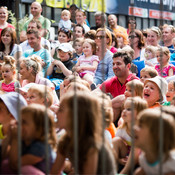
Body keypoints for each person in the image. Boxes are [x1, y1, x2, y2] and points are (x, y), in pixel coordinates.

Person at [51, 91, 117, 174]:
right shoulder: (65, 140)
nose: (56, 112)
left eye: (61, 110)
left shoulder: (92, 144)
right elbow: (54, 172)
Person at [1, 104, 57, 174]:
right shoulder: (25, 141)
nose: (18, 125)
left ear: (39, 129)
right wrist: (9, 136)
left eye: (24, 122)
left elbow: (14, 164)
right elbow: (4, 154)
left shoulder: (41, 147)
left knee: (20, 168)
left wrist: (15, 139)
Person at [134, 108, 175, 175]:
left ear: (156, 135)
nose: (134, 128)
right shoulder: (143, 158)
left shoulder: (170, 163)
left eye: (140, 126)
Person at [112, 97, 148, 171]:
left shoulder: (143, 131)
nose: (124, 111)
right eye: (124, 108)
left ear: (139, 113)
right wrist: (119, 159)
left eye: (129, 109)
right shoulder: (122, 130)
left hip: (141, 157)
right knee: (116, 140)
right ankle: (112, 169)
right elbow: (115, 147)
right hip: (127, 154)